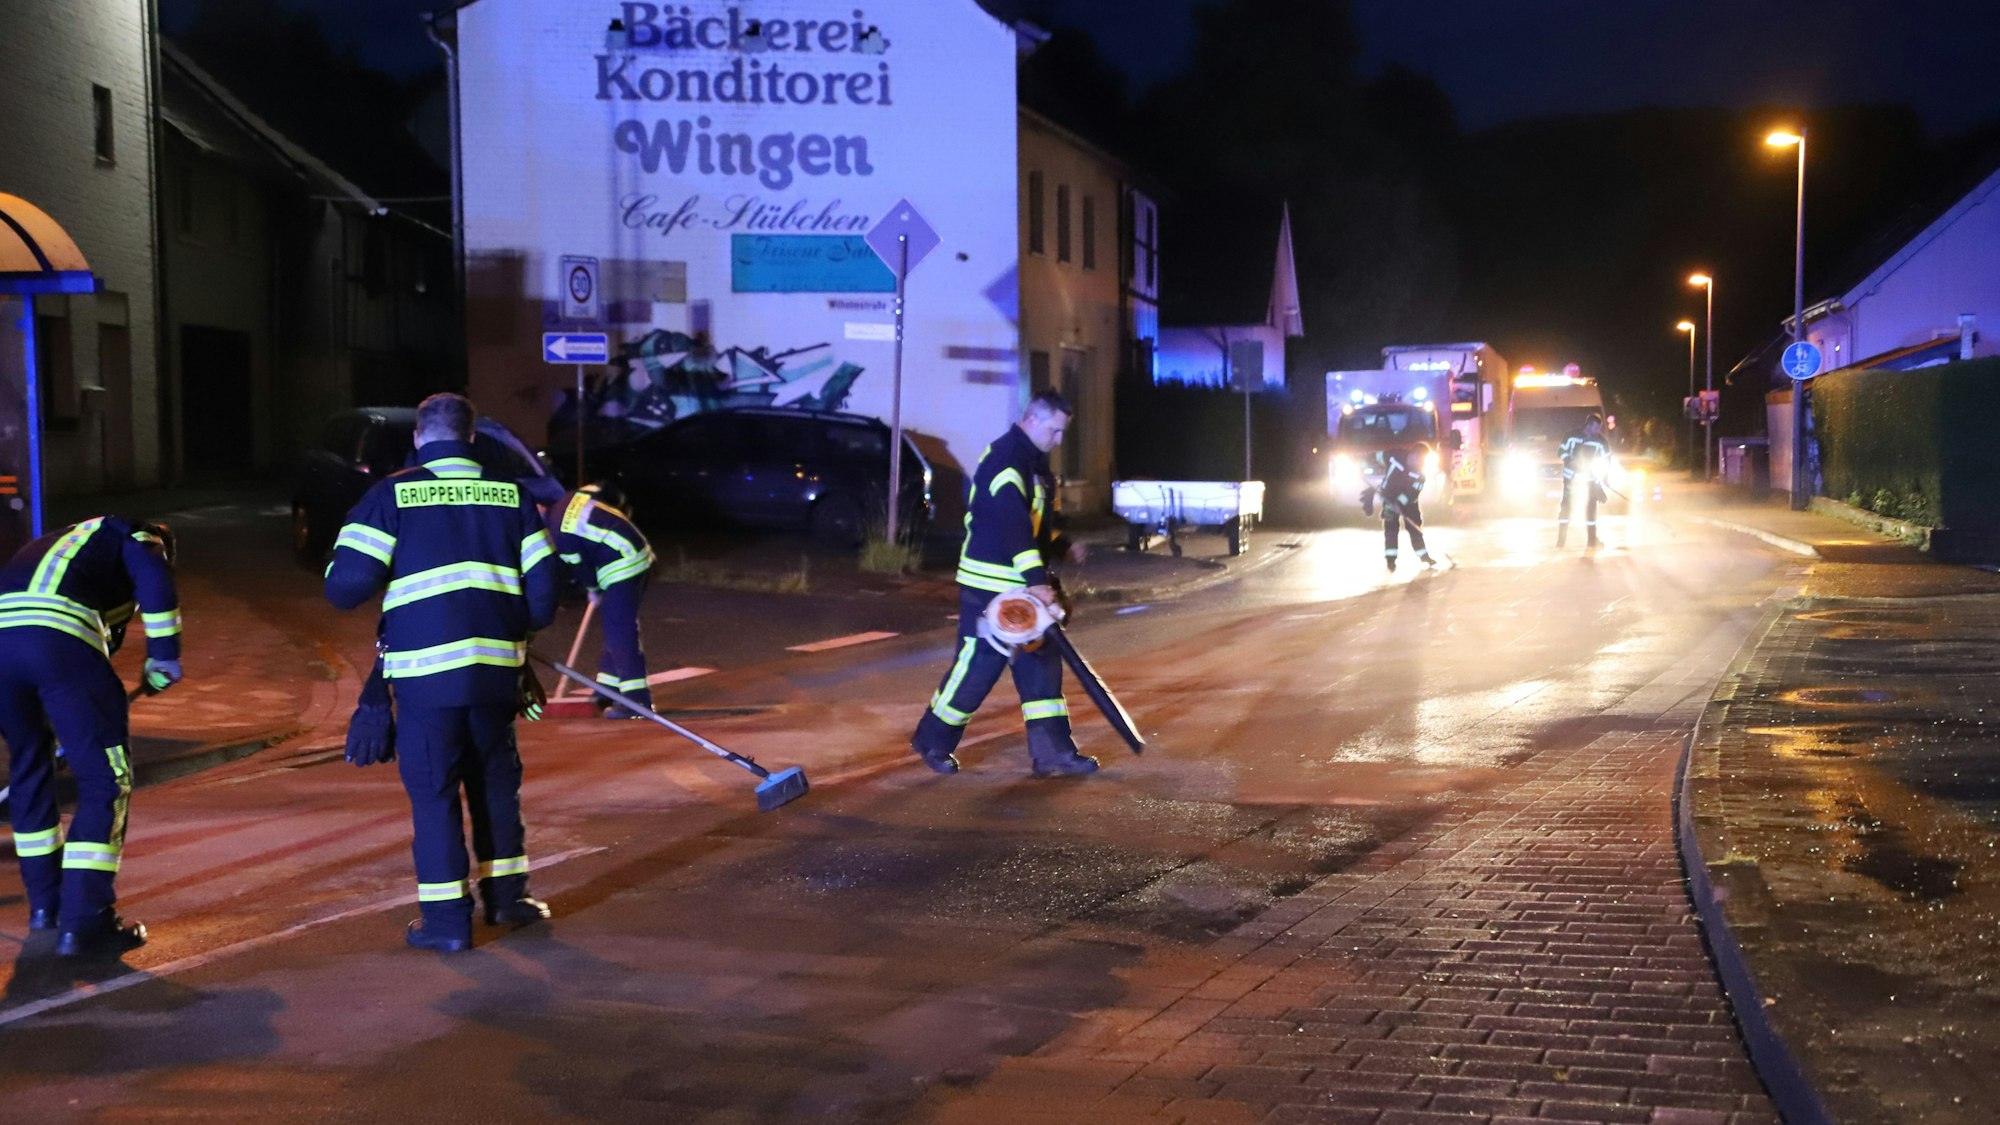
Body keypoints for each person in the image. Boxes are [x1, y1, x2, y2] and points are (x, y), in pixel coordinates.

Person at [325, 393, 561, 952]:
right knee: (495, 786)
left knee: (435, 794)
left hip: (426, 680)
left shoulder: (392, 494)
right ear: (473, 438)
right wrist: (512, 629)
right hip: (495, 676)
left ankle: (448, 924)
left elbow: (344, 588)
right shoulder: (512, 496)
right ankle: (509, 900)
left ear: (419, 439)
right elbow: (546, 596)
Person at [0, 516, 182, 957]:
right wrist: (164, 654)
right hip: (57, 642)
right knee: (106, 781)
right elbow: (152, 575)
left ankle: (46, 907)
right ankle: (86, 920)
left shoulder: (64, 548)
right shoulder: (133, 534)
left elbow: (97, 646)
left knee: (29, 769)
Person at [910, 390, 1097, 778]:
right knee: (979, 666)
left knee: (1041, 665)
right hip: (991, 586)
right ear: (1032, 419)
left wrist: (1061, 545)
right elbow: (1012, 525)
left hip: (1022, 588)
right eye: (1055, 432)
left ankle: (1053, 753)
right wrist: (1038, 582)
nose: (1059, 441)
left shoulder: (1031, 462)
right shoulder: (1006, 461)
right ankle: (933, 740)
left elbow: (1032, 524)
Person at [555, 481, 655, 718]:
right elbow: (603, 488)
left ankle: (636, 701)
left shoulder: (559, 535)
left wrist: (592, 588)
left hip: (622, 564)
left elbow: (581, 569)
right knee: (615, 627)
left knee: (620, 631)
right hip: (633, 553)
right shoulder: (570, 498)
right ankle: (607, 691)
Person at [1364, 444, 1435, 572]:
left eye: (1422, 460)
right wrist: (1365, 461)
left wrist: (1399, 504)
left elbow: (1410, 494)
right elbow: (1377, 456)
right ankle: (1391, 560)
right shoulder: (1395, 455)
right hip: (1389, 498)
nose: (1419, 462)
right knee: (1391, 528)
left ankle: (1424, 556)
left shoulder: (1420, 476)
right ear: (1412, 453)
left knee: (1414, 529)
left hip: (1410, 504)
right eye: (1418, 458)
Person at [1558, 413, 1611, 548]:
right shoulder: (1570, 436)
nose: (1597, 431)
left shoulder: (1600, 441)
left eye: (1599, 429)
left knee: (1591, 510)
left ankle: (1592, 541)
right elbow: (1561, 452)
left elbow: (1607, 459)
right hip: (1571, 478)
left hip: (1590, 480)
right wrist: (1570, 461)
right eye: (1596, 428)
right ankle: (1561, 540)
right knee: (1566, 507)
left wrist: (1605, 478)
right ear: (1588, 425)